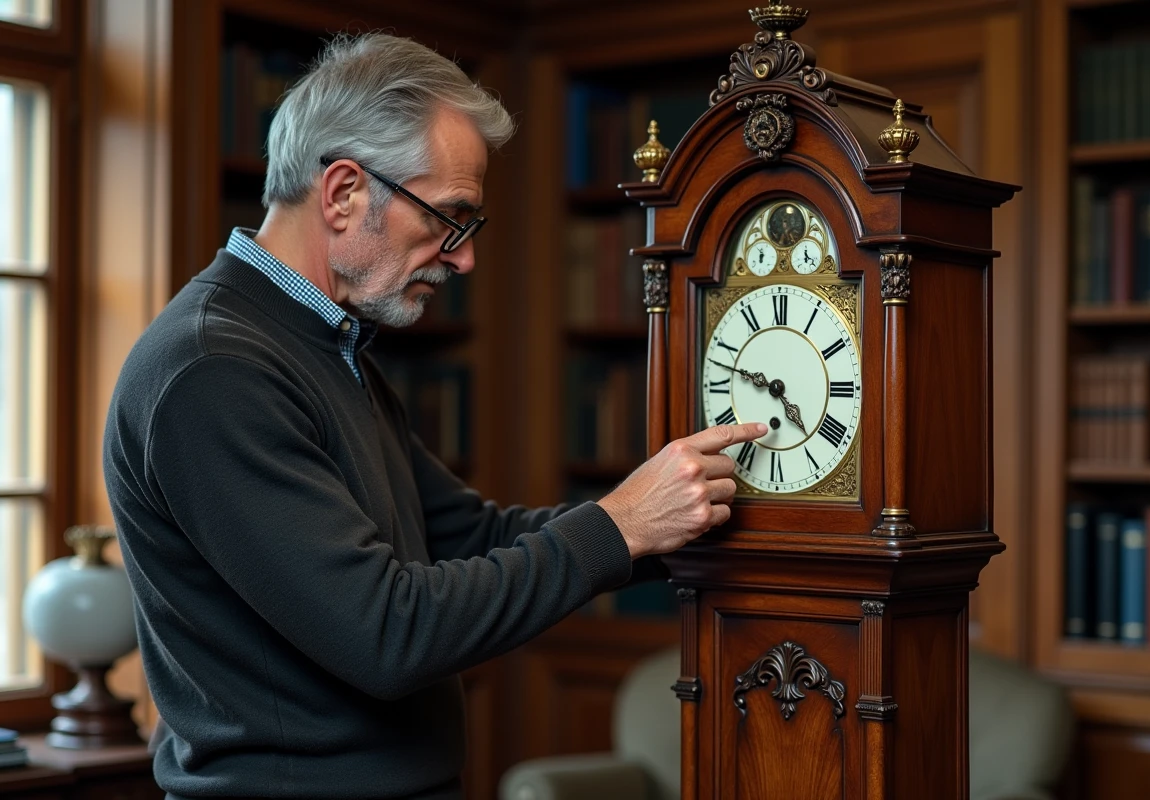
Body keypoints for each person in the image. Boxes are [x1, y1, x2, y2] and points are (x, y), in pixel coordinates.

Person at [102, 32, 764, 800]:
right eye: (449, 217)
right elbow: (388, 633)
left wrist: (676, 519)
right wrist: (621, 525)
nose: (463, 258)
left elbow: (469, 535)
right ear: (344, 192)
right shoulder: (216, 370)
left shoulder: (327, 344)